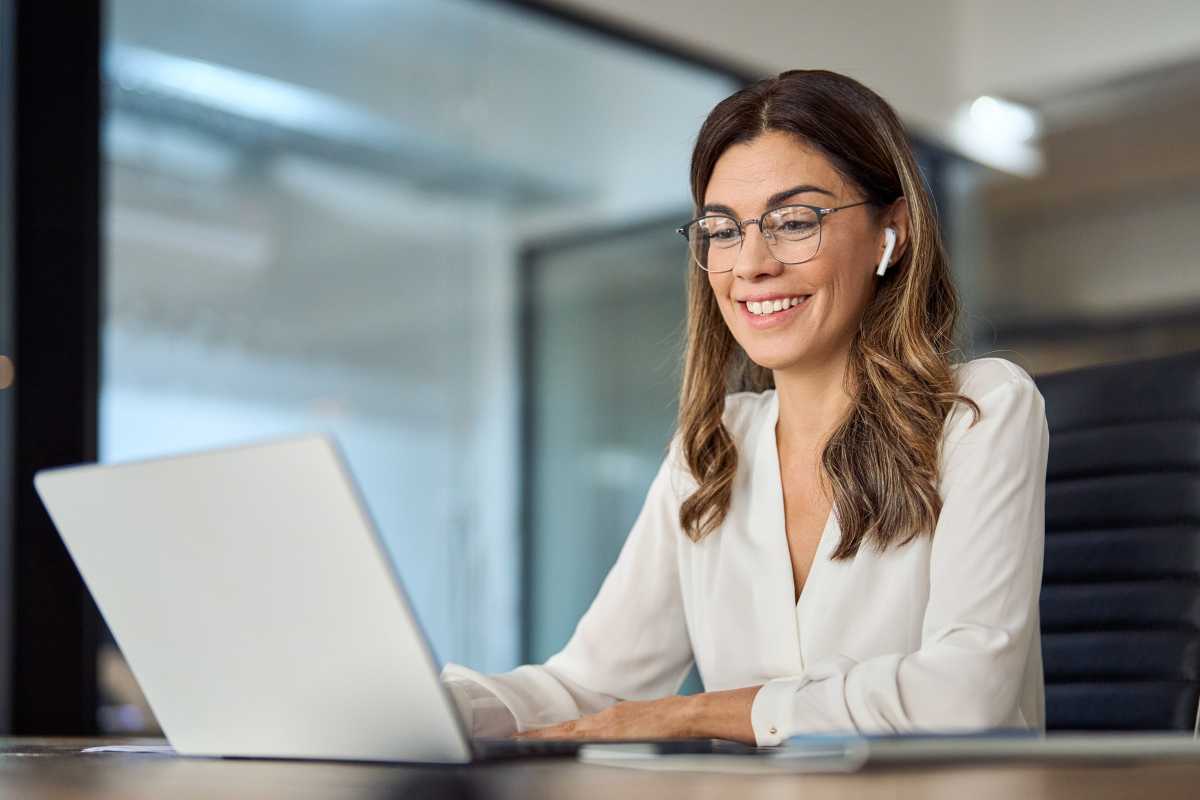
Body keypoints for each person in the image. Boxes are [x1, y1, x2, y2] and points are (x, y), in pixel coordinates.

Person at [441, 69, 1048, 747]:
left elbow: (964, 698)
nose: (751, 263)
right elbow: (590, 686)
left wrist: (694, 712)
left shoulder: (981, 409)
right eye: (723, 230)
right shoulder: (712, 449)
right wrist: (427, 705)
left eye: (794, 221)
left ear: (892, 234)